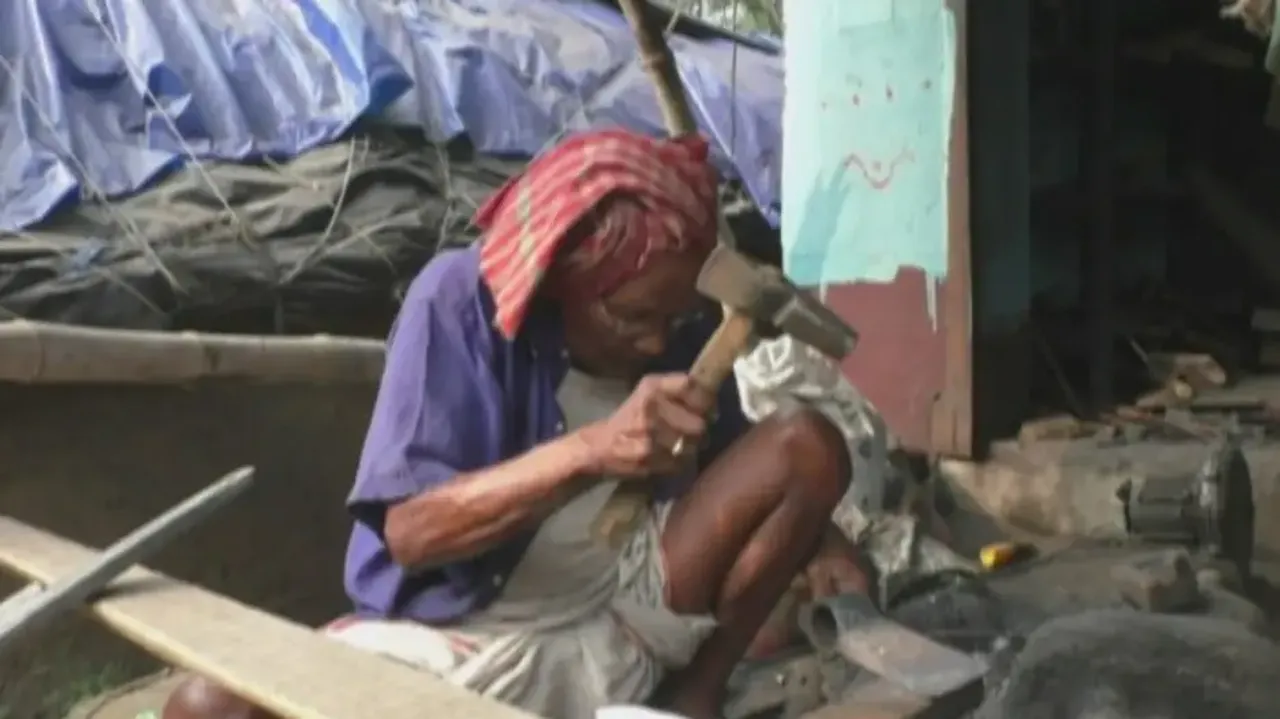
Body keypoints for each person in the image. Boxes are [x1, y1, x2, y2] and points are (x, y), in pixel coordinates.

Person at [162, 128, 868, 719]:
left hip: (628, 604)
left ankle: (693, 698)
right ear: (561, 279)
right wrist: (591, 451)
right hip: (463, 635)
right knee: (211, 704)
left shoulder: (673, 321)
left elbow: (736, 459)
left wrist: (823, 544)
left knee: (805, 446)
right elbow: (411, 532)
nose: (657, 340)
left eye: (674, 316)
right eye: (630, 316)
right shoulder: (458, 305)